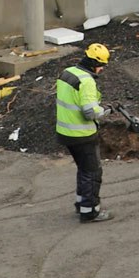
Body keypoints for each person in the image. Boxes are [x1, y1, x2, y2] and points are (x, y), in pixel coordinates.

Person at [55, 43, 112, 223]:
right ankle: (90, 212)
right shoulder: (86, 81)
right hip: (82, 135)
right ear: (95, 63)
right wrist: (105, 111)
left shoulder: (68, 73)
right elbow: (89, 112)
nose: (102, 69)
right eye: (102, 65)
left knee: (84, 170)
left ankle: (81, 204)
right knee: (93, 172)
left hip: (64, 132)